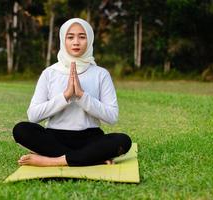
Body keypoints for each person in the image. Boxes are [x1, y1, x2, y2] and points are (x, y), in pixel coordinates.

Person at [12, 18, 132, 167]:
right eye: (70, 37)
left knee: (123, 141)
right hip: (55, 138)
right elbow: (33, 116)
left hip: (90, 138)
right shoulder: (49, 73)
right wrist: (65, 96)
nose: (76, 42)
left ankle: (53, 161)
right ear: (63, 40)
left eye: (82, 37)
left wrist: (82, 96)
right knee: (21, 130)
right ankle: (89, 158)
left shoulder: (101, 74)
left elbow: (112, 117)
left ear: (89, 40)